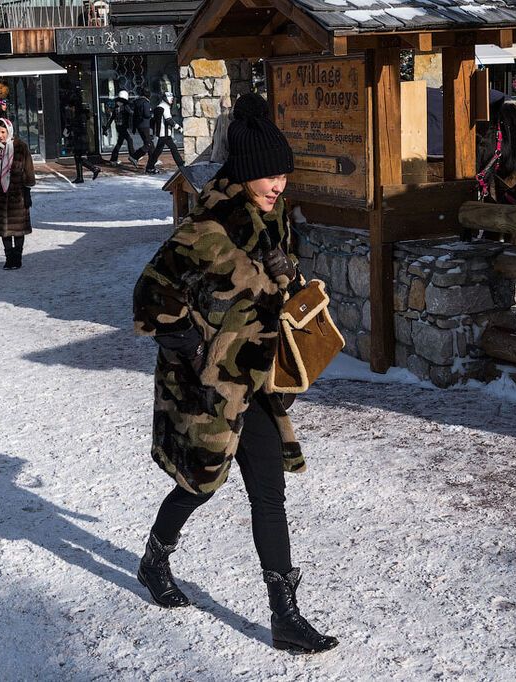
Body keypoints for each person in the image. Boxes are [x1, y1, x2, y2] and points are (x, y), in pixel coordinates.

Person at [132, 92, 338, 655]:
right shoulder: (208, 228)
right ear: (245, 174)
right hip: (211, 389)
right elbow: (151, 294)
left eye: (283, 175)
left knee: (269, 495)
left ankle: (284, 615)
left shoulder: (275, 224)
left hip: (259, 383)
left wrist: (295, 295)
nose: (279, 185)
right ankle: (154, 560)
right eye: (269, 175)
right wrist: (192, 350)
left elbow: (276, 292)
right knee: (198, 485)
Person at [0, 118, 35, 270]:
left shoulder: (20, 147)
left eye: (3, 132)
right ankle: (9, 257)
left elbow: (29, 169)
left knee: (18, 228)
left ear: (9, 131)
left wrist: (27, 191)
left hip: (17, 194)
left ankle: (18, 257)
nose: (0, 135)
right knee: (4, 230)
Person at [144, 90, 184, 175]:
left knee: (157, 151)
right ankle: (181, 165)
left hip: (161, 133)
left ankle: (149, 167)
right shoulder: (164, 107)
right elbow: (169, 119)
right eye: (171, 99)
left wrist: (152, 132)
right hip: (165, 133)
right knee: (173, 149)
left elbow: (153, 121)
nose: (172, 101)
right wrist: (178, 127)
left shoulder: (159, 106)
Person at [64, 101, 100, 184]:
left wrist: (73, 128)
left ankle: (94, 168)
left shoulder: (81, 116)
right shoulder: (76, 116)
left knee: (79, 157)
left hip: (81, 139)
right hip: (78, 138)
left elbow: (82, 129)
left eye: (72, 107)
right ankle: (80, 177)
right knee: (77, 157)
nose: (71, 109)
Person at [103, 90, 137, 167]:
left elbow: (112, 118)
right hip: (123, 127)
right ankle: (133, 156)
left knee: (119, 143)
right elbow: (131, 113)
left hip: (118, 127)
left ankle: (113, 159)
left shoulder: (116, 107)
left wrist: (107, 127)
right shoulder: (125, 106)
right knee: (129, 140)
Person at [129, 87, 156, 169]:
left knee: (150, 143)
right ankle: (135, 156)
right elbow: (147, 114)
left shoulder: (137, 102)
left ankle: (152, 161)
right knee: (148, 144)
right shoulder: (146, 102)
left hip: (139, 125)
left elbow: (134, 116)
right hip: (145, 125)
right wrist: (152, 113)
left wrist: (134, 127)